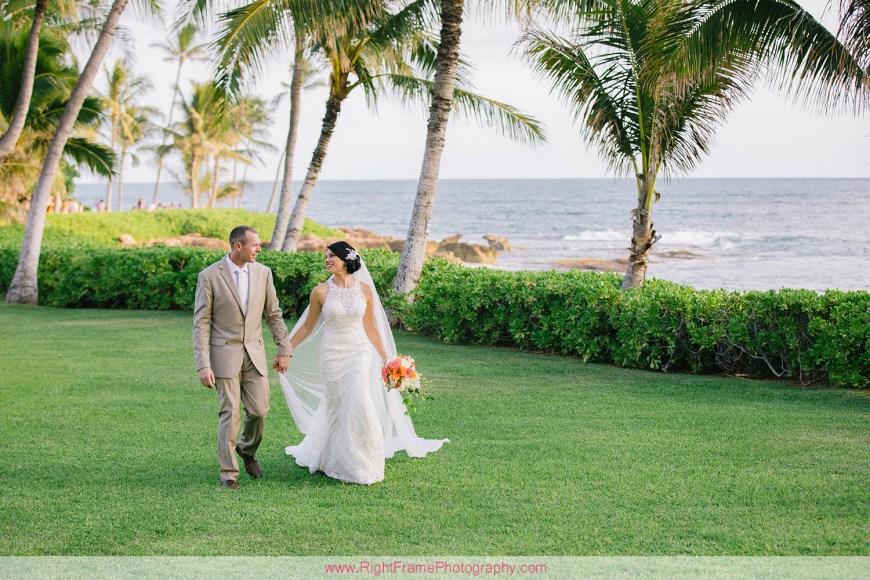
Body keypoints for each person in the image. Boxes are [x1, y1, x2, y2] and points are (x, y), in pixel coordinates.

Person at [280, 241, 448, 485]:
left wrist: (388, 358)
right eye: (326, 257)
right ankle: (331, 456)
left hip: (359, 352)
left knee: (359, 401)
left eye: (332, 256)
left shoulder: (366, 290)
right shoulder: (320, 292)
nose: (327, 260)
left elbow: (371, 328)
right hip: (332, 354)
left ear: (346, 259)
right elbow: (307, 326)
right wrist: (286, 350)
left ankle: (362, 462)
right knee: (338, 405)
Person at [193, 225, 293, 489]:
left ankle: (247, 449)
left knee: (259, 410)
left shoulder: (264, 273)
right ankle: (229, 474)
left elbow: (274, 314)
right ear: (238, 246)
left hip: (255, 352)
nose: (259, 249)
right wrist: (203, 364)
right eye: (255, 245)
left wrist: (284, 348)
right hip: (223, 355)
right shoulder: (210, 276)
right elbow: (201, 322)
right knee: (231, 411)